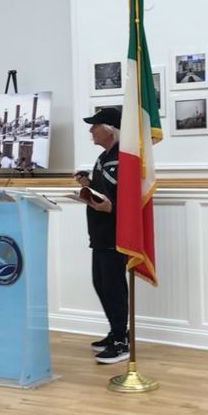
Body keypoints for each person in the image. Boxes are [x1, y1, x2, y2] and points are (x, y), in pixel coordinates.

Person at [75, 107, 129, 364]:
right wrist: (87, 185)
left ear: (108, 130)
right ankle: (116, 331)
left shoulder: (126, 158)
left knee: (114, 287)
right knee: (101, 283)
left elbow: (129, 199)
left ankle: (121, 341)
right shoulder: (102, 158)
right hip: (99, 233)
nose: (90, 130)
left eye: (94, 125)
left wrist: (113, 208)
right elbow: (102, 189)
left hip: (115, 234)